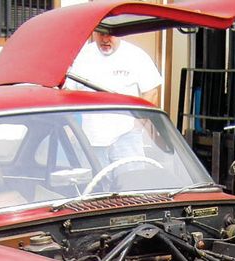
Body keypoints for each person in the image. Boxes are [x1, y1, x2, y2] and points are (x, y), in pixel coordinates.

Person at [65, 31, 164, 165]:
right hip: (90, 139)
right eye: (101, 34)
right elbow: (67, 94)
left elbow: (151, 92)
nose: (105, 39)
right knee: (94, 185)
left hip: (126, 137)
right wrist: (70, 130)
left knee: (130, 183)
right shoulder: (82, 57)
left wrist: (138, 125)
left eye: (110, 35)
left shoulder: (136, 55)